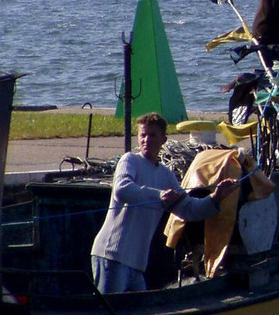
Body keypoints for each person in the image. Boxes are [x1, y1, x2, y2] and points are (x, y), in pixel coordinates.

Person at [90, 113, 238, 293]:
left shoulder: (165, 175)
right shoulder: (130, 160)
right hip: (111, 256)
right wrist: (159, 196)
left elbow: (189, 210)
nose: (146, 140)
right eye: (143, 135)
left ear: (163, 139)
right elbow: (122, 189)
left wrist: (216, 197)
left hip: (136, 265)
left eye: (152, 135)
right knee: (110, 309)